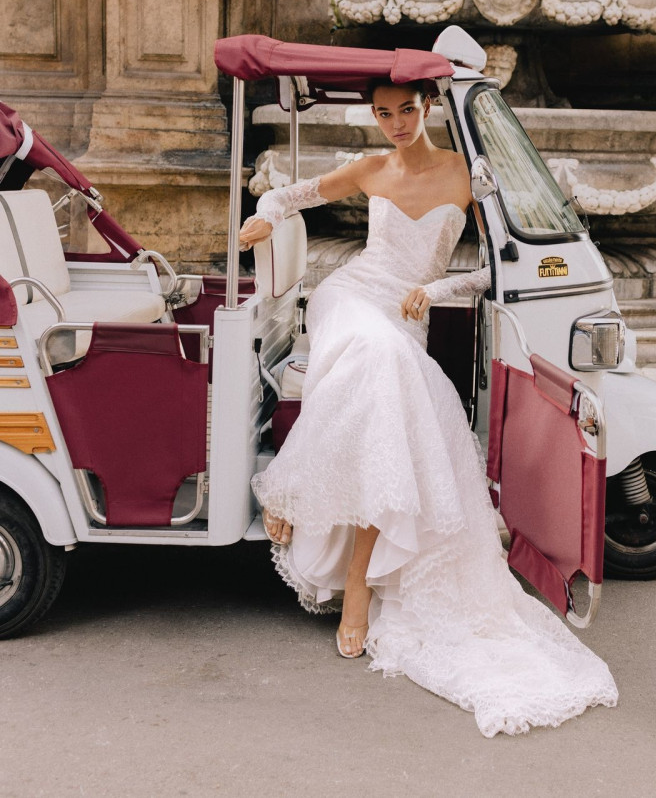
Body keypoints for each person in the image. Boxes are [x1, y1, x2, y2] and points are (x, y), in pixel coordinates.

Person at [239, 80, 617, 737]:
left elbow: (503, 267)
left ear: (429, 107)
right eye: (383, 113)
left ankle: (321, 525)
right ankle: (342, 561)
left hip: (405, 314)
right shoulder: (369, 168)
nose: (395, 123)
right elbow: (283, 193)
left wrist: (440, 286)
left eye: (406, 110)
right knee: (384, 363)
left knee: (397, 383)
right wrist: (266, 217)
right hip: (352, 299)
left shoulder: (468, 175)